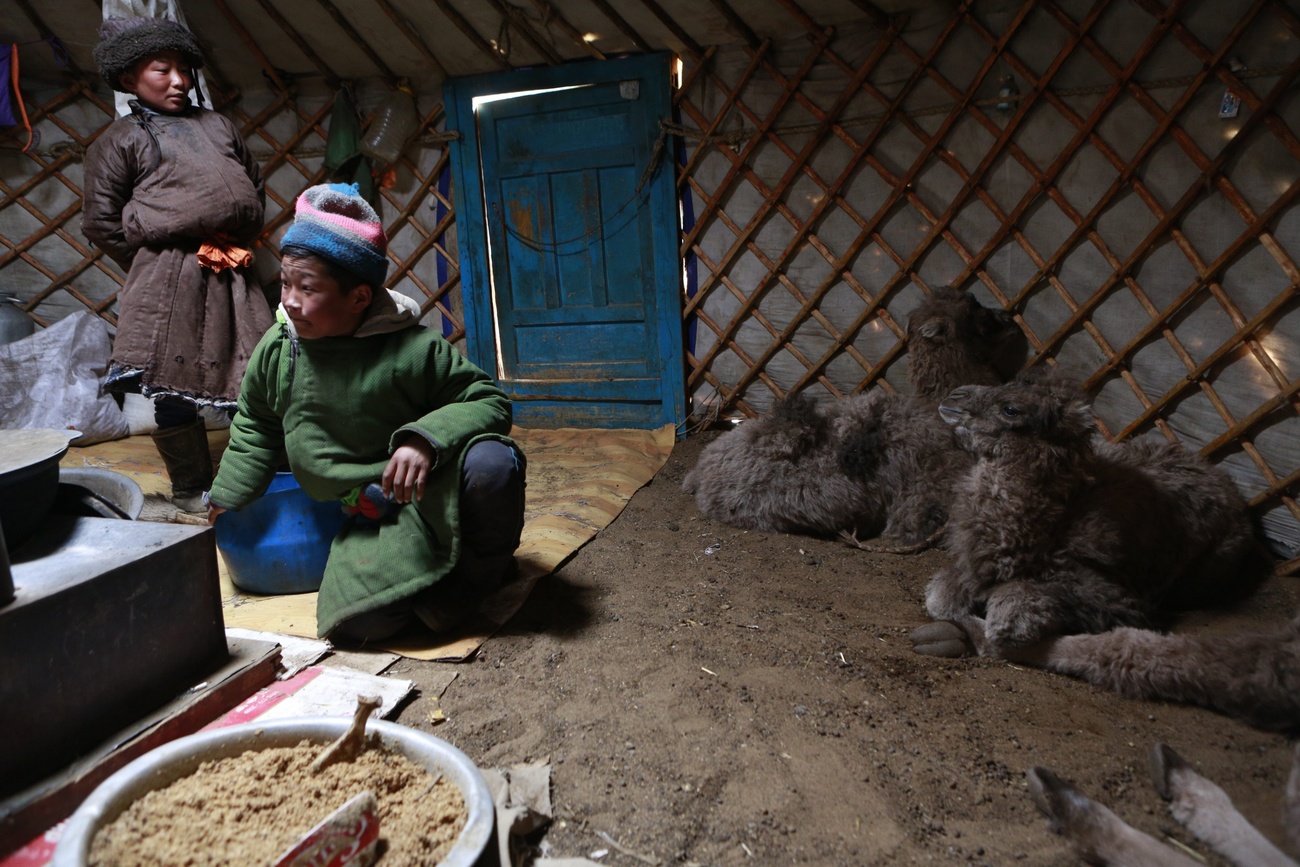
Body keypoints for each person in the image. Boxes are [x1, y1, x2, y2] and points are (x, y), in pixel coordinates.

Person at [207, 183, 526, 643]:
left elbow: (489, 400)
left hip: (428, 491)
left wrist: (423, 440)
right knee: (354, 626)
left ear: (358, 298)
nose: (290, 301)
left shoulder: (412, 349)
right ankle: (449, 586)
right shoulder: (279, 351)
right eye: (286, 283)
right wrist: (227, 495)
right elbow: (256, 423)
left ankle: (480, 573)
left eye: (308, 288)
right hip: (369, 512)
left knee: (492, 464)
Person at [81, 17, 272, 512]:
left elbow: (253, 185)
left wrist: (230, 237)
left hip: (232, 268)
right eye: (162, 70)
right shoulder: (119, 140)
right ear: (129, 80)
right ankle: (190, 488)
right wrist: (157, 260)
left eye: (184, 69)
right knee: (172, 381)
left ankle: (258, 477)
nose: (179, 80)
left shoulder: (217, 125)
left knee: (256, 371)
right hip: (169, 278)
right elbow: (101, 222)